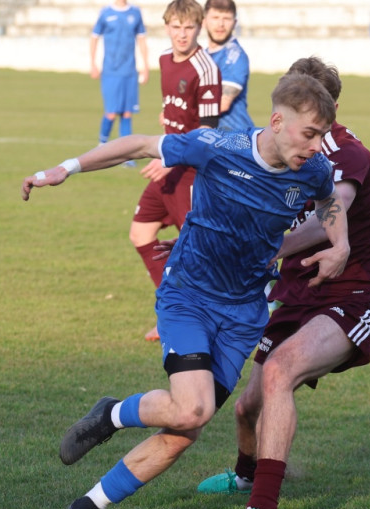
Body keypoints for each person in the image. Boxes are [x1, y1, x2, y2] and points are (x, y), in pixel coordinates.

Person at [21, 72, 350, 509]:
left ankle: (87, 506)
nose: (317, 147)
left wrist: (340, 245)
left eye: (323, 137)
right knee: (193, 410)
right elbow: (138, 145)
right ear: (277, 121)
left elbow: (329, 203)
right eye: (310, 134)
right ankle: (112, 414)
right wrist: (66, 168)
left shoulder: (312, 169)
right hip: (190, 297)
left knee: (182, 429)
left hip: (242, 317)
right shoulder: (219, 146)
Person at [195, 57, 370, 509]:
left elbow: (331, 212)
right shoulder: (284, 153)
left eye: (315, 115)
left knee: (281, 370)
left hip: (355, 294)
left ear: (329, 112)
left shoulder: (349, 157)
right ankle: (245, 473)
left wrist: (270, 246)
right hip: (299, 295)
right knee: (246, 409)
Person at [132, 0, 222, 342]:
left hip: (191, 172)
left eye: (189, 28)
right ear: (167, 26)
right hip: (169, 165)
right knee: (141, 233)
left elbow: (209, 134)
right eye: (176, 27)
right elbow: (177, 109)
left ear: (199, 28)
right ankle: (170, 312)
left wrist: (169, 156)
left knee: (199, 251)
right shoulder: (165, 60)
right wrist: (167, 117)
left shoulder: (207, 68)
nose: (182, 35)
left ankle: (224, 312)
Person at [90, 0, 150, 151]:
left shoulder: (135, 12)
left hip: (129, 71)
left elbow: (141, 39)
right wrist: (93, 63)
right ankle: (101, 145)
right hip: (111, 71)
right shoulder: (106, 13)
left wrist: (145, 66)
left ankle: (126, 154)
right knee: (111, 113)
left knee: (127, 113)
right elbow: (94, 37)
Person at [202, 0, 253, 132]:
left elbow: (222, 104)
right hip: (212, 138)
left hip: (237, 139)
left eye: (226, 18)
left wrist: (179, 112)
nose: (221, 24)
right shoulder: (202, 56)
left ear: (234, 23)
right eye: (215, 17)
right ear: (204, 21)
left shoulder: (235, 56)